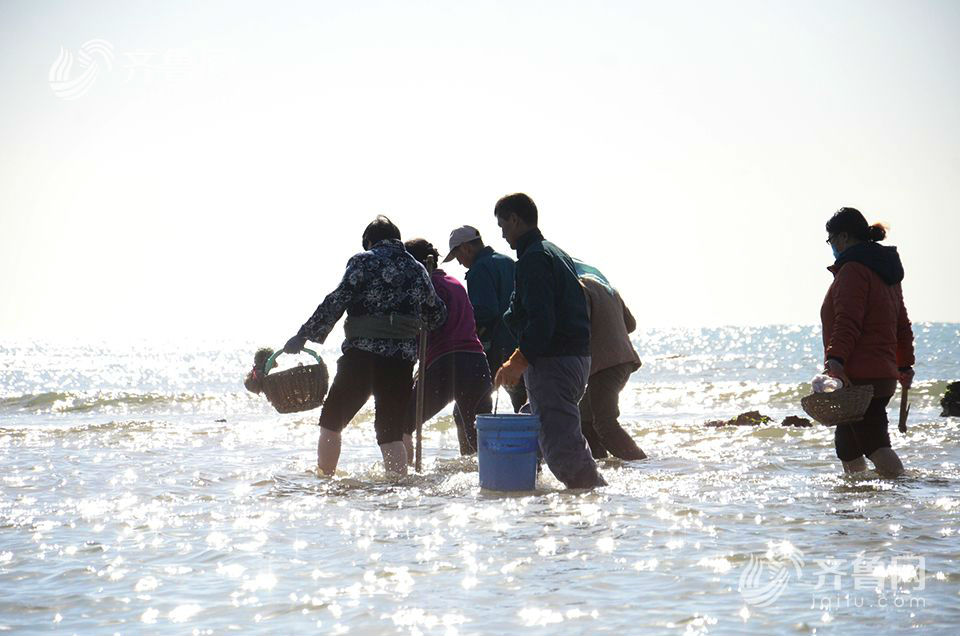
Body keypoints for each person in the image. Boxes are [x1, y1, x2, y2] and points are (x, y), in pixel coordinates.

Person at [283, 216, 446, 476]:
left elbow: (337, 300)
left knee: (332, 421)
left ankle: (325, 480)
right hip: (400, 361)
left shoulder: (363, 261)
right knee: (390, 432)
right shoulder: (417, 269)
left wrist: (303, 336)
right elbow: (437, 314)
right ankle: (397, 486)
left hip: (362, 357)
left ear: (370, 241)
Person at [491, 193, 606, 489]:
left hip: (554, 361)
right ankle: (527, 495)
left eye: (502, 225)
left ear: (515, 219)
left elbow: (542, 322)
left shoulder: (534, 259)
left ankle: (597, 505)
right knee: (533, 425)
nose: (502, 234)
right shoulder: (554, 253)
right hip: (576, 359)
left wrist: (518, 361)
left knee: (563, 450)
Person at [821, 207, 914, 477]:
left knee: (874, 444)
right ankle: (860, 506)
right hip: (880, 375)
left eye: (831, 240)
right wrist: (904, 364)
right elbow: (902, 324)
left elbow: (847, 321)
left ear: (844, 237)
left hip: (861, 378)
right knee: (848, 446)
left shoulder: (853, 270)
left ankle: (902, 493)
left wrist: (835, 359)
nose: (832, 246)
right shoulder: (885, 272)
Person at [402, 239, 493, 456]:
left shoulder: (426, 288)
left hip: (446, 362)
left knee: (403, 424)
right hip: (477, 362)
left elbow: (420, 331)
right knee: (478, 438)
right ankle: (487, 484)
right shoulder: (454, 283)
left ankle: (401, 480)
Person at [443, 225, 527, 412]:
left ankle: (473, 443)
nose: (459, 262)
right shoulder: (509, 262)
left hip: (496, 347)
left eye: (458, 256)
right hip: (520, 346)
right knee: (524, 406)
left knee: (467, 409)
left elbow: (485, 311)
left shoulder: (479, 269)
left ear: (466, 248)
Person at [578, 274, 647, 461]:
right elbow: (631, 324)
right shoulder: (607, 288)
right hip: (623, 360)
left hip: (605, 365)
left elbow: (578, 327)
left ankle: (641, 464)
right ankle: (601, 466)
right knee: (585, 420)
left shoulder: (579, 289)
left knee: (604, 423)